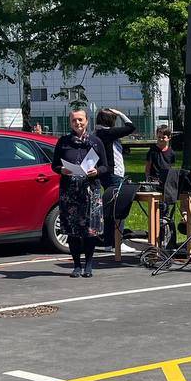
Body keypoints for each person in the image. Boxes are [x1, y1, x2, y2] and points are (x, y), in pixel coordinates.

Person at [51, 109, 108, 277]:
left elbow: (106, 166)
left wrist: (97, 171)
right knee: (72, 230)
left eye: (80, 120)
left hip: (91, 191)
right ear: (70, 123)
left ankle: (88, 265)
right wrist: (61, 169)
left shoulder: (96, 142)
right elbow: (54, 165)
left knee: (90, 231)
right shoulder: (63, 142)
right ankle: (76, 265)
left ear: (87, 121)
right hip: (70, 192)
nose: (78, 123)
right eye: (74, 120)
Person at [94, 107, 136, 246]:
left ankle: (109, 242)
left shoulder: (97, 132)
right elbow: (131, 127)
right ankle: (118, 242)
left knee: (110, 208)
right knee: (119, 208)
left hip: (105, 174)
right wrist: (120, 113)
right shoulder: (108, 133)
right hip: (114, 174)